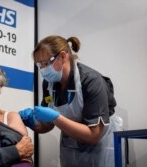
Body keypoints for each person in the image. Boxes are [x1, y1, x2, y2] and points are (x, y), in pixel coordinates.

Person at [19, 35, 122, 167]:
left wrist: (57, 118)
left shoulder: (91, 81)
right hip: (71, 148)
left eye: (46, 63)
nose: (43, 70)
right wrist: (33, 122)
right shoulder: (49, 84)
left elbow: (93, 135)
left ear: (63, 56)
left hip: (100, 147)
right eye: (40, 65)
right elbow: (48, 125)